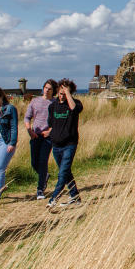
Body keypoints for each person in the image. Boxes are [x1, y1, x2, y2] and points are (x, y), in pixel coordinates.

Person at [43, 79, 83, 208]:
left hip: (70, 144)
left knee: (62, 173)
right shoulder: (52, 106)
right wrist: (48, 133)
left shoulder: (76, 103)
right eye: (61, 93)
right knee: (65, 172)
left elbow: (74, 109)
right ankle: (75, 196)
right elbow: (51, 124)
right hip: (56, 145)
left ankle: (53, 198)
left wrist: (67, 91)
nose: (62, 95)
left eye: (65, 93)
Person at [24, 79, 57, 200]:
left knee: (43, 161)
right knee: (34, 163)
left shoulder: (55, 103)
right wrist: (29, 131)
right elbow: (27, 118)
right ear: (43, 88)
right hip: (35, 135)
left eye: (50, 89)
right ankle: (45, 176)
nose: (47, 90)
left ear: (54, 91)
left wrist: (50, 131)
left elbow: (58, 120)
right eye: (46, 87)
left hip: (47, 137)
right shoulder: (35, 101)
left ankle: (40, 189)